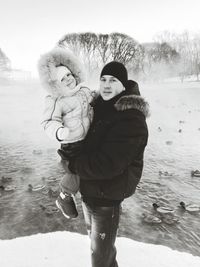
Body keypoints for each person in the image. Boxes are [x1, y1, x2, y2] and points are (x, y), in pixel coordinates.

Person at [66, 61, 150, 267]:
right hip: (90, 191)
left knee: (100, 257)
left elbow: (109, 164)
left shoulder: (131, 118)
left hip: (107, 198)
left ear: (124, 85)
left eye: (113, 80)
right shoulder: (99, 108)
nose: (106, 84)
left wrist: (73, 165)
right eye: (103, 79)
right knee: (99, 251)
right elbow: (84, 142)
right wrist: (67, 146)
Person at [38, 47, 94, 219]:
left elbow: (94, 101)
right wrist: (59, 131)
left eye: (69, 75)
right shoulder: (56, 99)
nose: (68, 79)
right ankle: (64, 196)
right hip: (71, 142)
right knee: (75, 170)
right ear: (56, 83)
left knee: (91, 166)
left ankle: (87, 196)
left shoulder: (83, 90)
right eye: (62, 78)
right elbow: (48, 122)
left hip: (88, 139)